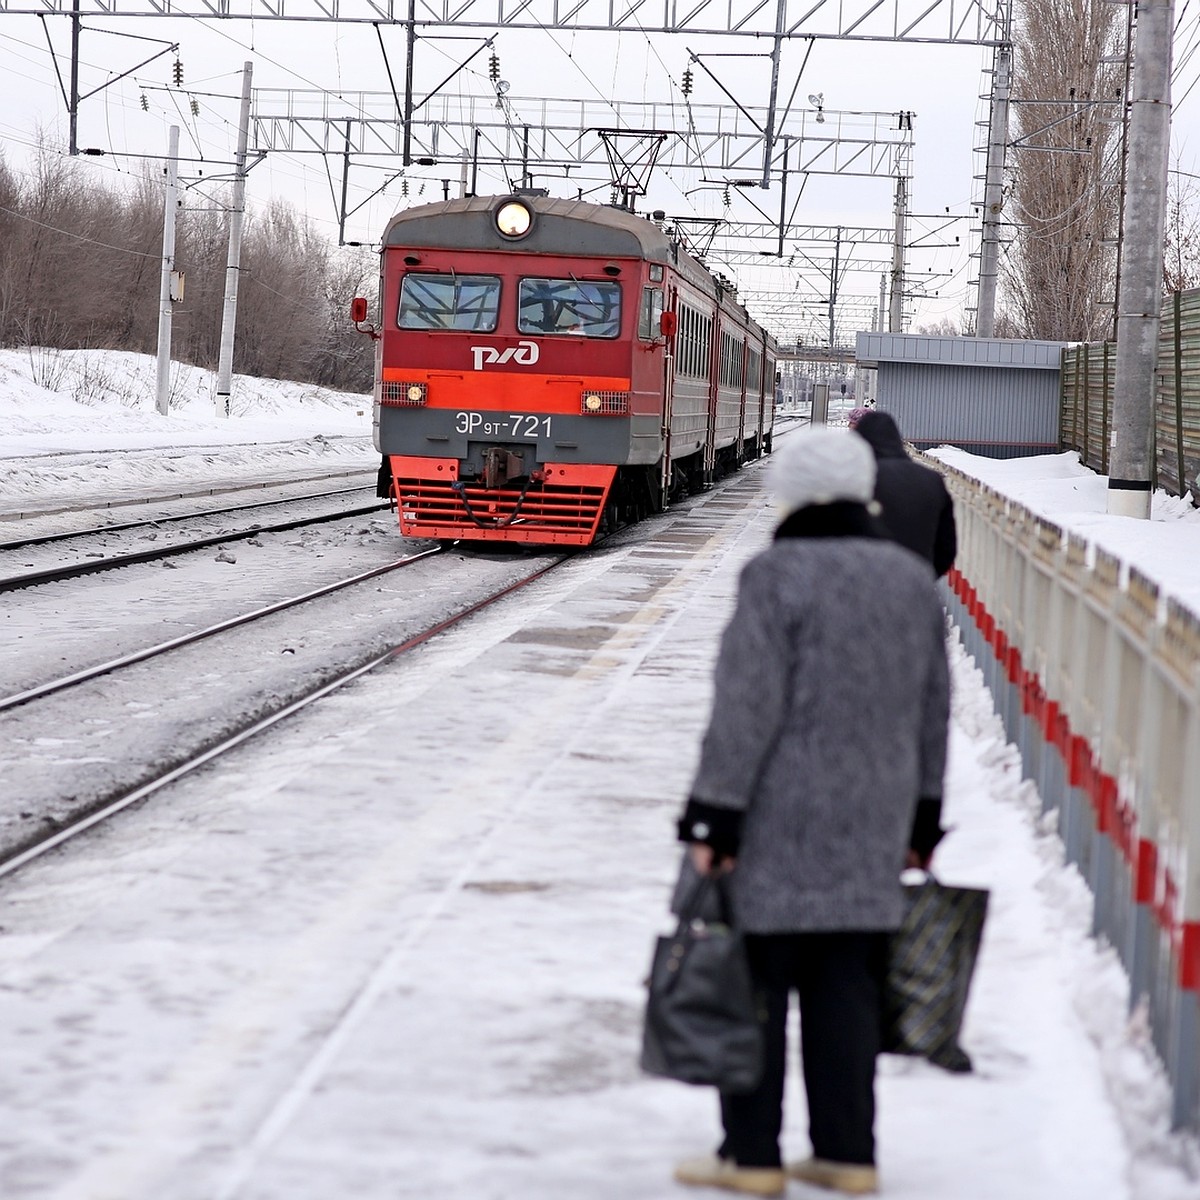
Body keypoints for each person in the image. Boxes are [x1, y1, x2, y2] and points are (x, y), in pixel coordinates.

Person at [671, 427, 951, 1198]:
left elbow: (745, 709)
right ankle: (847, 1154)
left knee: (755, 986)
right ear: (865, 489)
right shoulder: (908, 580)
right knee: (846, 987)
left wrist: (713, 816)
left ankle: (752, 1157)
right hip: (875, 818)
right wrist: (924, 819)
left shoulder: (776, 575)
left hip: (775, 818)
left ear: (788, 494)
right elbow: (934, 711)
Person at [852, 410, 957, 578]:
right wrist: (924, 578)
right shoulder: (931, 480)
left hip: (861, 579)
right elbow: (946, 546)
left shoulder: (854, 478)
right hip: (914, 580)